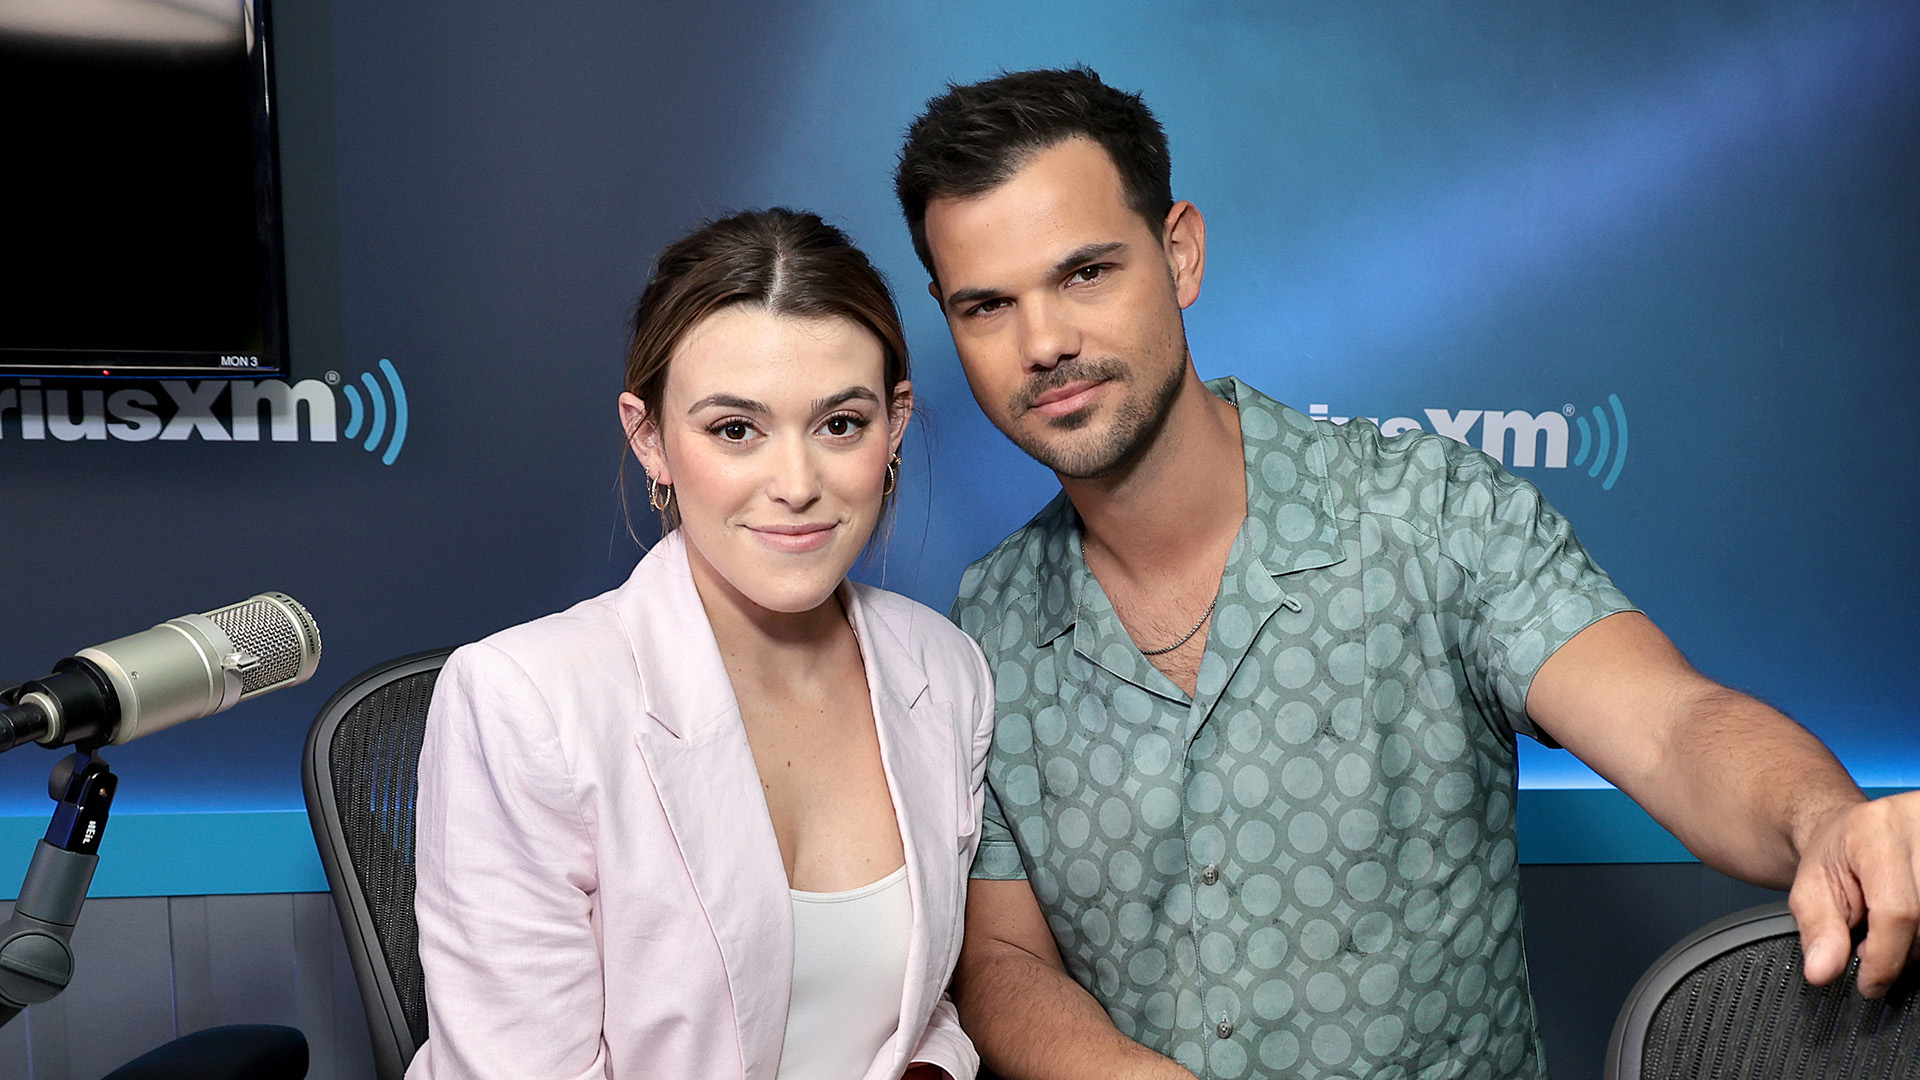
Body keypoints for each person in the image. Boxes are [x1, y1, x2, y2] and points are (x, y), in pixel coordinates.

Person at [893, 67, 1920, 1079]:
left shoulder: (1431, 513)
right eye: (987, 307)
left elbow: (1670, 724)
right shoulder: (985, 623)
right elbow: (1002, 957)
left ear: (1180, 253)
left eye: (1085, 273)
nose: (1045, 342)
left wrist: (1818, 815)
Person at [407, 208, 992, 1080]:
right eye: (734, 429)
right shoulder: (520, 697)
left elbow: (921, 1006)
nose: (796, 485)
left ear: (895, 424)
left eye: (840, 424)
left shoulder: (946, 669)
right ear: (652, 440)